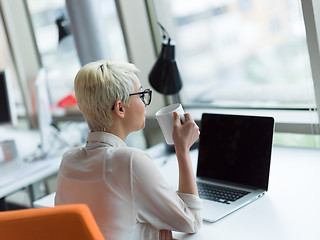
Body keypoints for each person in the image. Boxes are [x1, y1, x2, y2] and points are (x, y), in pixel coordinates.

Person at [55, 60, 202, 240]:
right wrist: (183, 150)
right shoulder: (129, 161)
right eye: (141, 95)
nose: (145, 103)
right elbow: (192, 221)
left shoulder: (68, 159)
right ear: (120, 108)